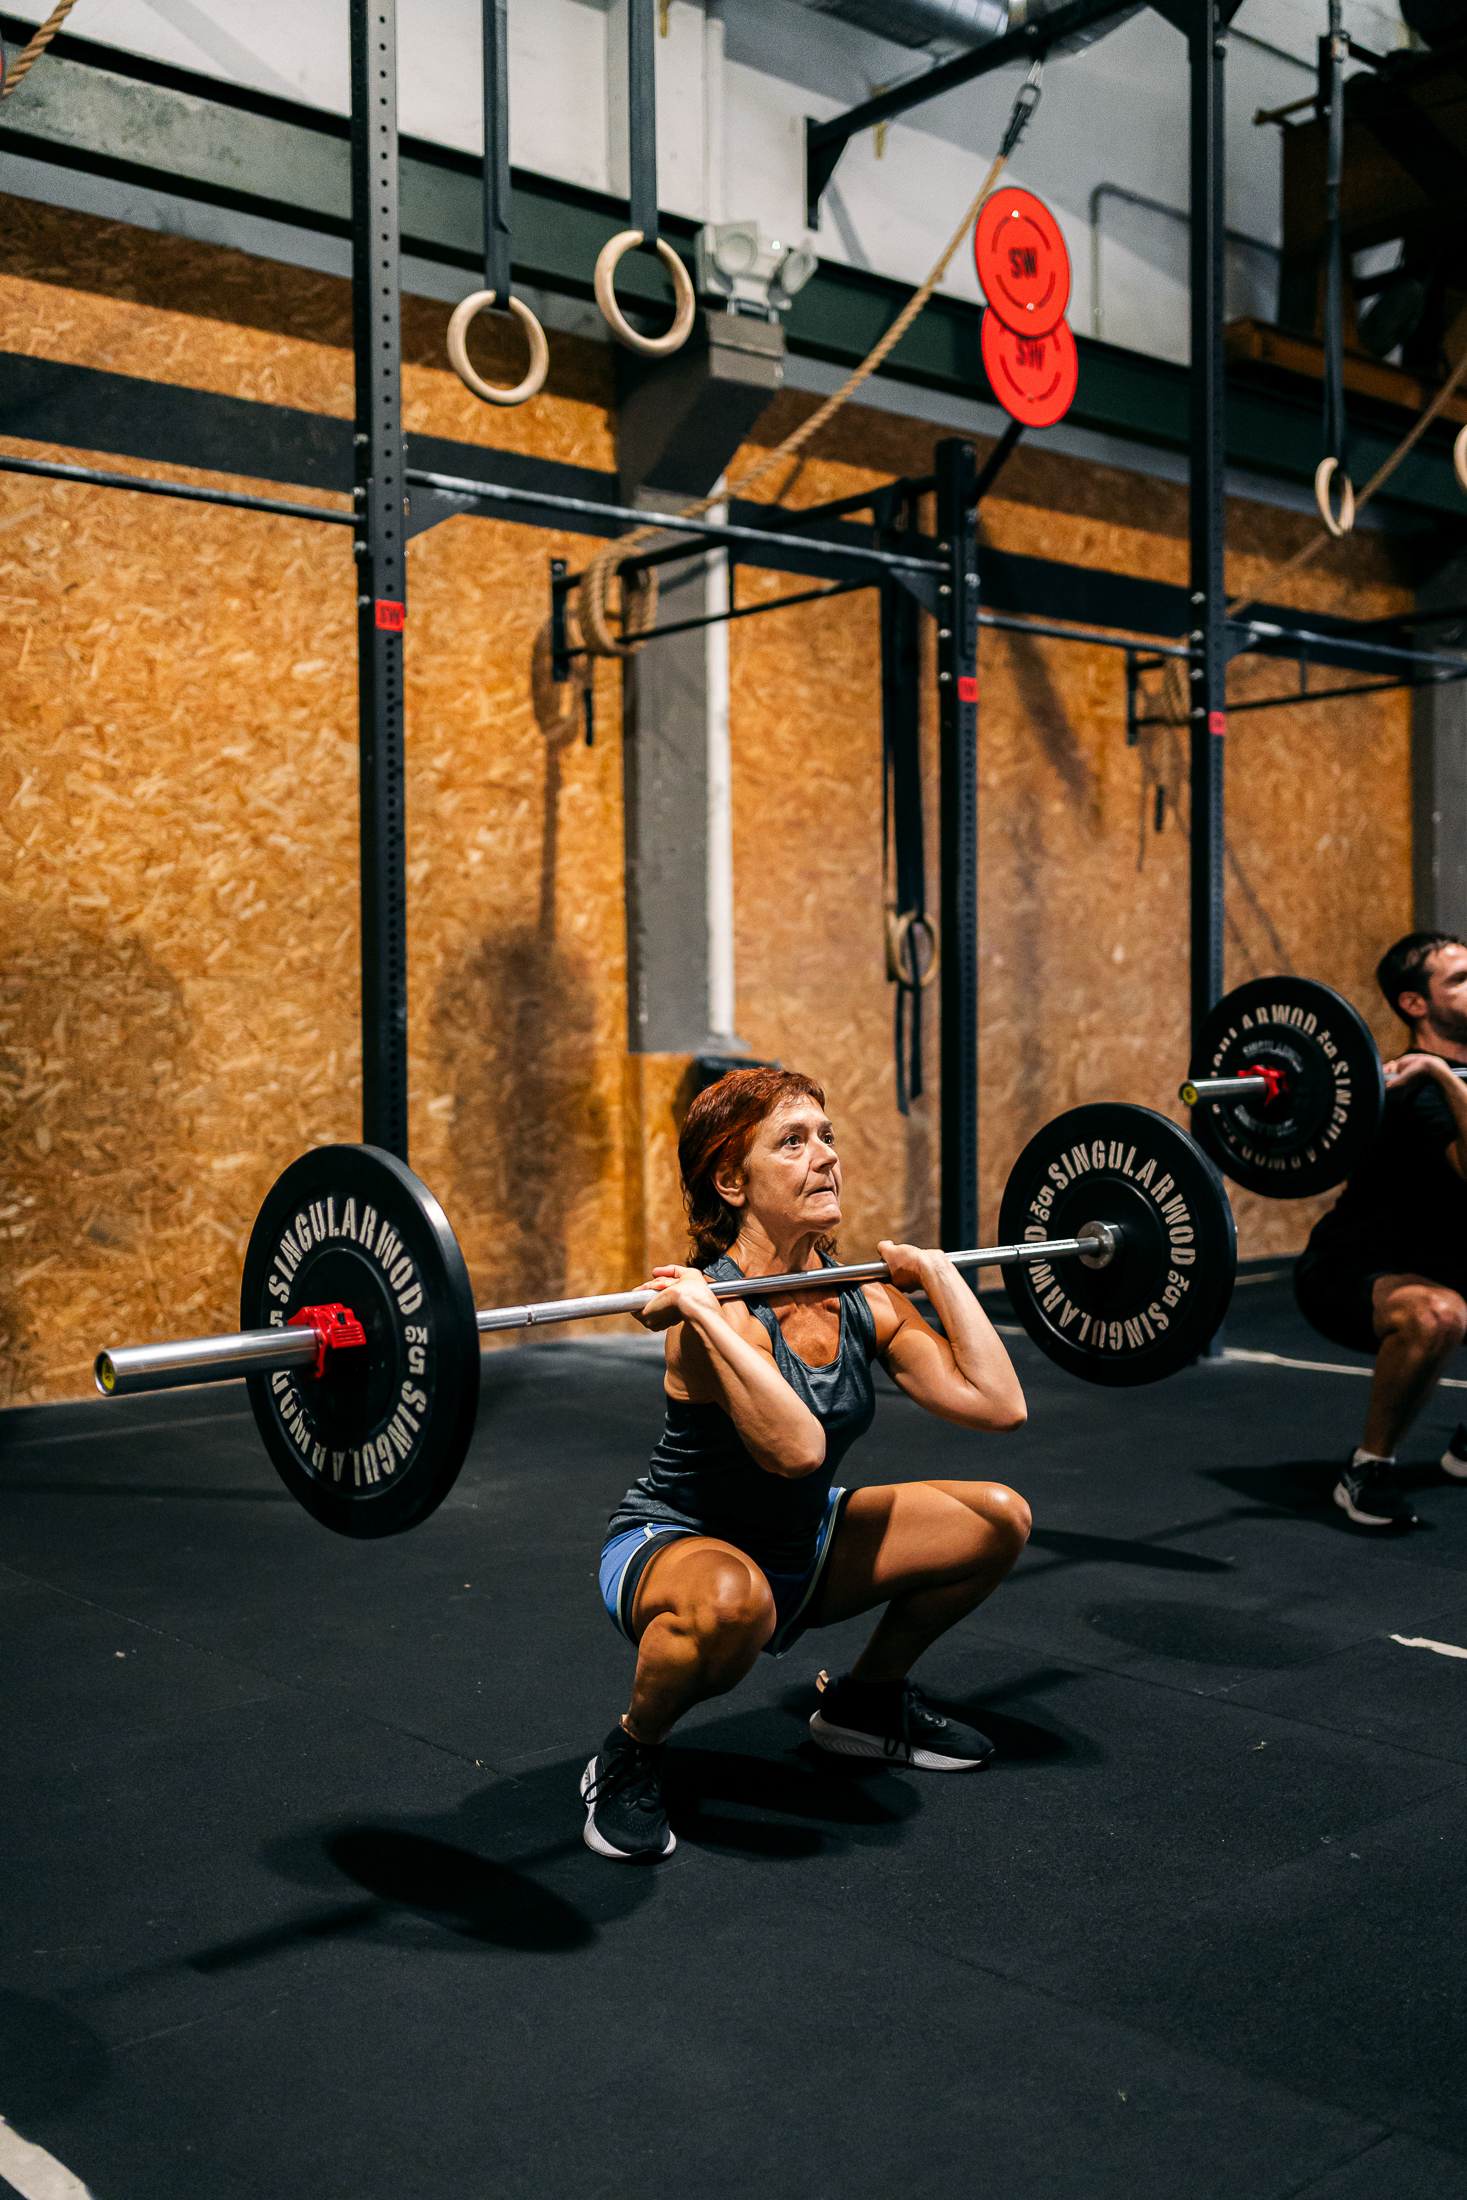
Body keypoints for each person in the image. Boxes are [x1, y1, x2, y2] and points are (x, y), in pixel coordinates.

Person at [581, 1066, 1032, 1863]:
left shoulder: (862, 1297)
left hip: (802, 1545)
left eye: (825, 1137)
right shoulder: (713, 1314)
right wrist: (702, 1314)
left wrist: (940, 1276)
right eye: (792, 1142)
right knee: (733, 1604)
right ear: (731, 1182)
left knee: (996, 1519)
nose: (825, 1156)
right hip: (678, 1547)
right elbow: (795, 1450)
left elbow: (998, 1405)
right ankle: (630, 1750)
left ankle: (867, 1704)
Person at [1294, 931, 1467, 1529]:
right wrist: (1442, 1074)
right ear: (1415, 1004)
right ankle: (1367, 1470)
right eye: (1459, 979)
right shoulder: (1414, 1088)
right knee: (1438, 1315)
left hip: (1444, 1264)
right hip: (1351, 1273)